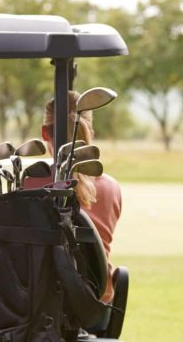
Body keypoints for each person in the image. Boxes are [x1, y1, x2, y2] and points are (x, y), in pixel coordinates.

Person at [27, 90, 122, 303]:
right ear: (90, 133)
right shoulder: (112, 187)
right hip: (98, 301)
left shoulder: (30, 184)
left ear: (44, 133)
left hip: (43, 304)